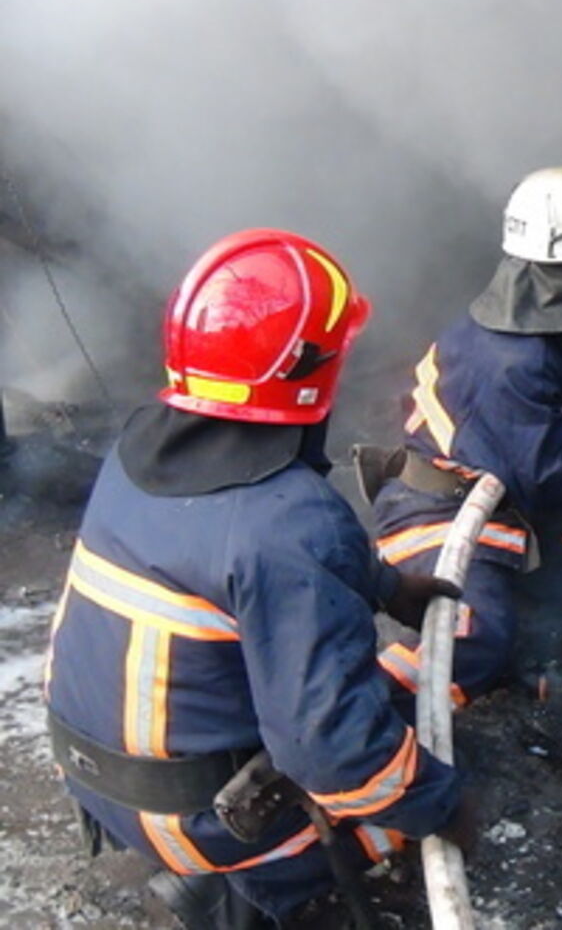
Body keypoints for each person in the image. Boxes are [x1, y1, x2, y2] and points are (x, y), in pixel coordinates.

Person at [44, 228, 469, 928]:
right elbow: (331, 750)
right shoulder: (292, 523)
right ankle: (273, 893)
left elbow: (252, 560)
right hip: (199, 818)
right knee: (394, 773)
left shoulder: (140, 448)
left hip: (95, 778)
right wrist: (445, 804)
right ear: (314, 370)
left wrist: (390, 586)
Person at [371, 167, 562, 701]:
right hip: (440, 517)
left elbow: (539, 382)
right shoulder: (510, 362)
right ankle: (374, 713)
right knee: (480, 639)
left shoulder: (516, 332)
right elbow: (559, 476)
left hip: (496, 493)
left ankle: (529, 609)